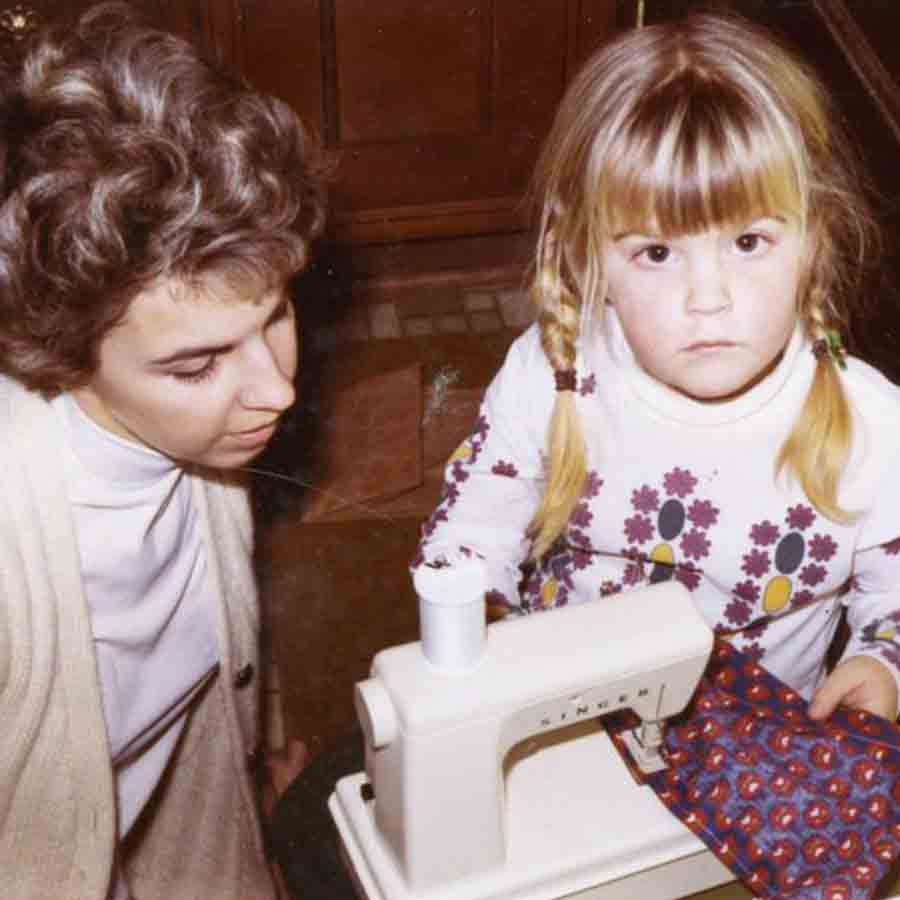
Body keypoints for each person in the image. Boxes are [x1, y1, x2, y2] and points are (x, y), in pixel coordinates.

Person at [412, 12, 900, 725]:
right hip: (564, 717)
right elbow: (474, 525)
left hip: (756, 751)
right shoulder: (554, 371)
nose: (709, 298)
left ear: (813, 241)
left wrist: (880, 660)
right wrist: (477, 623)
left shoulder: (875, 425)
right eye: (658, 253)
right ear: (588, 260)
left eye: (749, 241)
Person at [0, 3, 325, 898]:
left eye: (277, 315)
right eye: (197, 364)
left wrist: (255, 772)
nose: (276, 391)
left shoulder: (198, 433)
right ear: (61, 351)